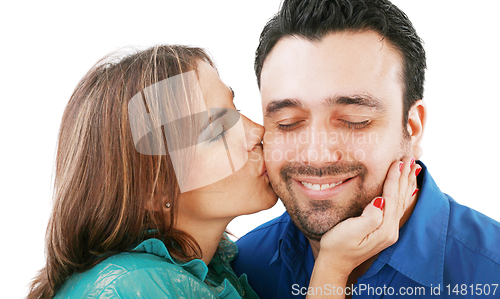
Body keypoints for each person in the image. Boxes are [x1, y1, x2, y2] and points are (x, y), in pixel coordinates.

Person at [27, 45, 417, 299]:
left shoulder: (219, 270)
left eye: (236, 109)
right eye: (215, 130)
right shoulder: (131, 290)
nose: (258, 132)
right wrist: (332, 268)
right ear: (150, 187)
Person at [232, 0, 500, 298]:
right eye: (288, 123)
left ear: (412, 127)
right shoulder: (241, 271)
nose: (317, 155)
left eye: (354, 121)